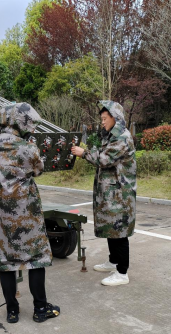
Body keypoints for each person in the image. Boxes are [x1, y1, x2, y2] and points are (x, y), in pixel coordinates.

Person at [0, 102, 60, 323]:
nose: (30, 129)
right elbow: (38, 170)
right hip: (27, 213)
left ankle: (12, 312)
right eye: (29, 124)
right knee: (36, 259)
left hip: (1, 215)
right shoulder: (27, 148)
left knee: (6, 260)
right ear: (19, 122)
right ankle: (40, 310)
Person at [71, 100, 136, 286]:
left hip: (120, 195)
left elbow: (104, 159)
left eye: (105, 119)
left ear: (115, 118)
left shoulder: (122, 138)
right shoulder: (111, 136)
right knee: (111, 228)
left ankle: (122, 273)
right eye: (101, 119)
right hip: (111, 193)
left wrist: (83, 153)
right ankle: (113, 262)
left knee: (120, 231)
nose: (102, 122)